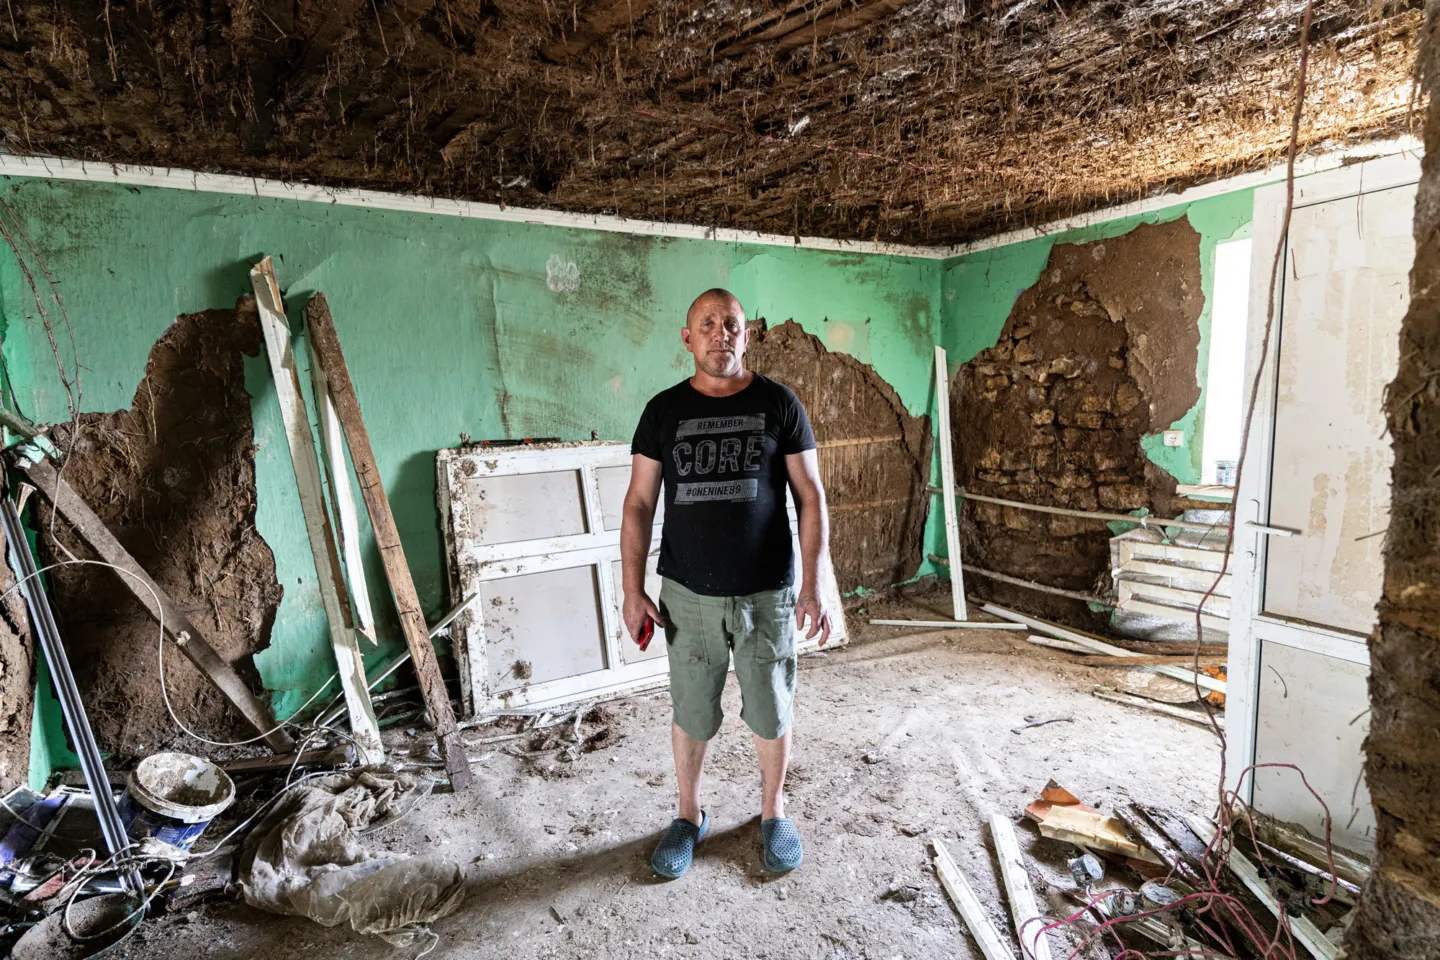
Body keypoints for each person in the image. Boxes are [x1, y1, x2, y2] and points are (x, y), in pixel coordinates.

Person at [620, 288, 832, 880]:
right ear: (687, 338)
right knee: (692, 711)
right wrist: (632, 589)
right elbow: (638, 503)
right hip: (688, 595)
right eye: (708, 324)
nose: (722, 334)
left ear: (747, 334)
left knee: (770, 708)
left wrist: (812, 588)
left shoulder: (779, 403)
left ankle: (773, 812)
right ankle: (688, 816)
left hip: (767, 593)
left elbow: (810, 497)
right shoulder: (663, 411)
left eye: (732, 324)